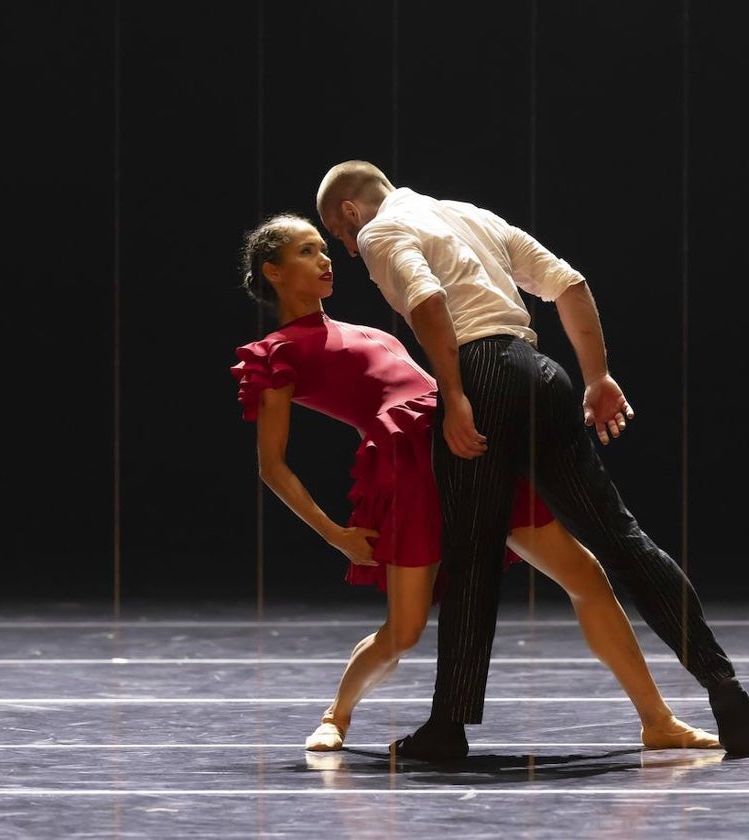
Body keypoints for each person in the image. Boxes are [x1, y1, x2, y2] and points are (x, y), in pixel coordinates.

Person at [231, 213, 721, 754]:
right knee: (404, 631)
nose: (326, 260)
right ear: (272, 271)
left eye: (325, 248)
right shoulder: (275, 351)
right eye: (306, 252)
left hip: (466, 441)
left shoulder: (364, 328)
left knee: (588, 575)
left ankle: (657, 720)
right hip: (412, 472)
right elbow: (271, 466)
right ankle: (337, 715)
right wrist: (336, 534)